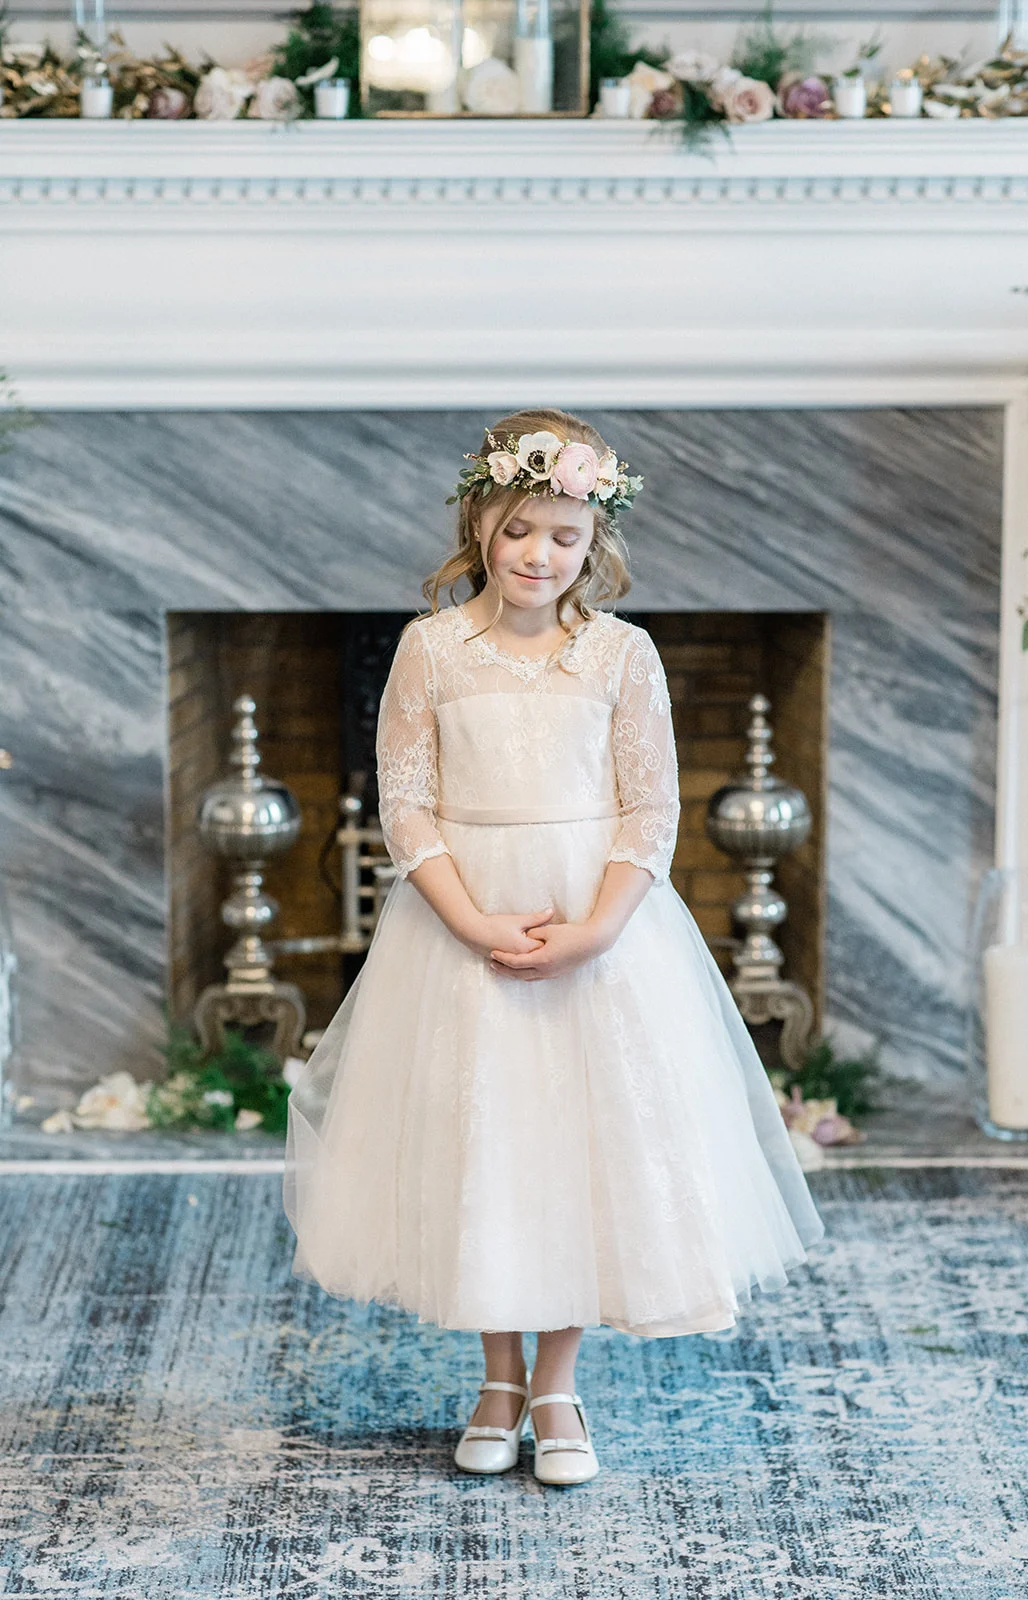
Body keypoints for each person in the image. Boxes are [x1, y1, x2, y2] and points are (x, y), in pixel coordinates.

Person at [283, 406, 826, 1487]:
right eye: (519, 530)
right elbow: (405, 801)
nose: (539, 554)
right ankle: (497, 1377)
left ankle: (557, 1384)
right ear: (480, 526)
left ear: (594, 541)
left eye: (564, 536)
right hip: (464, 929)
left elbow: (650, 808)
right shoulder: (432, 649)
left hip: (595, 930)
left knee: (578, 1146)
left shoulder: (620, 653)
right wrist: (470, 920)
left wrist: (597, 929)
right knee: (485, 1146)